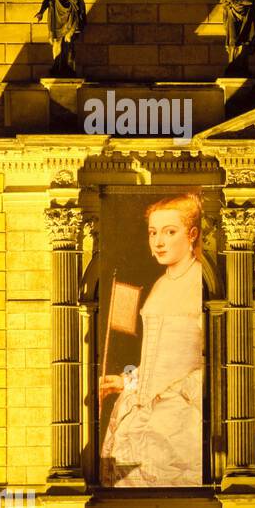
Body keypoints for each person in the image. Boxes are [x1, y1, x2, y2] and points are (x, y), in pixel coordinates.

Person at [99, 193, 205, 487]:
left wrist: (174, 396)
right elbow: (153, 361)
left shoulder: (200, 283)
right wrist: (127, 382)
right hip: (139, 406)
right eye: (153, 232)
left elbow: (216, 363)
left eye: (170, 232)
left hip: (178, 415)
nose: (159, 241)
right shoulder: (160, 284)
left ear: (192, 234)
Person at [35, 0, 86, 77]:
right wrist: (41, 12)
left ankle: (69, 66)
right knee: (57, 42)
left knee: (69, 42)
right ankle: (57, 65)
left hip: (69, 17)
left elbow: (79, 1)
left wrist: (76, 4)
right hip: (57, 18)